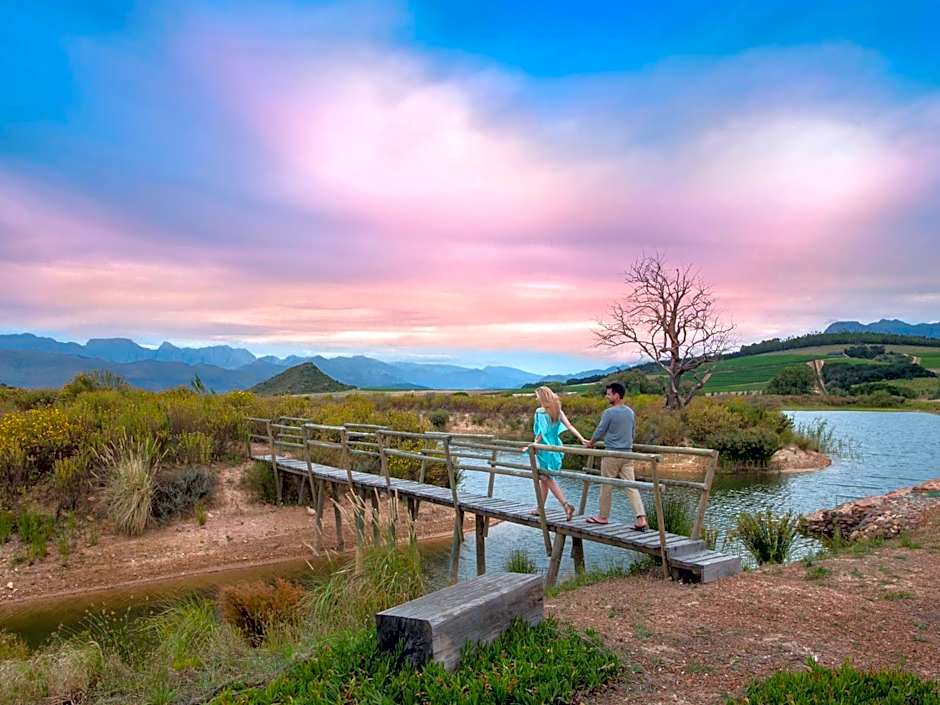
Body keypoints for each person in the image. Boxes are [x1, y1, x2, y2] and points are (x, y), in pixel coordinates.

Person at [583, 382, 647, 530]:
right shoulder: (630, 412)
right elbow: (633, 432)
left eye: (609, 394)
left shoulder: (609, 412)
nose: (607, 396)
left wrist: (590, 443)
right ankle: (641, 518)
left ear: (617, 395)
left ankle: (603, 516)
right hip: (627, 453)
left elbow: (600, 430)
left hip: (612, 454)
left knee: (606, 485)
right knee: (631, 486)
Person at [526, 386, 586, 521]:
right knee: (544, 478)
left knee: (546, 478)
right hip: (556, 446)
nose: (536, 399)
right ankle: (540, 508)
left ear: (542, 397)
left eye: (537, 396)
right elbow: (569, 426)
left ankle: (565, 505)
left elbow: (541, 432)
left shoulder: (540, 412)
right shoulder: (557, 410)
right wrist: (582, 439)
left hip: (544, 447)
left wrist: (534, 444)